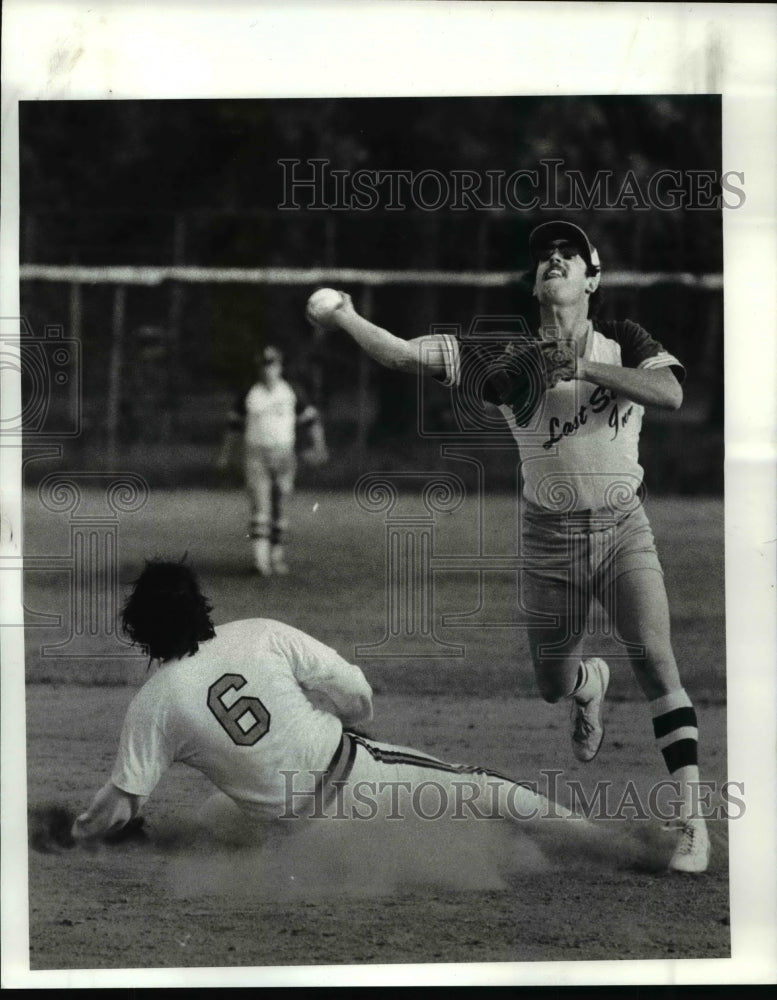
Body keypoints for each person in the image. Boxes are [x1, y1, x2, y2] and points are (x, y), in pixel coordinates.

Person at [309, 220, 710, 874]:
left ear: (592, 276)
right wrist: (348, 316)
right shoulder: (500, 354)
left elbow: (670, 392)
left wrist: (581, 365)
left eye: (568, 254)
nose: (554, 260)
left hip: (620, 528)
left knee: (657, 658)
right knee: (552, 684)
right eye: (544, 257)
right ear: (534, 281)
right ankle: (587, 684)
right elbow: (403, 355)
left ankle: (690, 820)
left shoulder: (624, 340)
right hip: (547, 540)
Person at [69, 558, 620, 857]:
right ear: (200, 606)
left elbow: (120, 803)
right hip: (359, 780)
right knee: (484, 787)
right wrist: (344, 717)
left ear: (143, 633)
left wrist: (84, 831)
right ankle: (605, 842)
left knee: (220, 807)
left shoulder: (153, 704)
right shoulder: (260, 632)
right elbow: (358, 692)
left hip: (294, 837)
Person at [217, 344, 329, 576]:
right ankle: (261, 561)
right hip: (256, 455)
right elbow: (233, 427)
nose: (268, 370)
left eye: (272, 365)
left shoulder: (291, 392)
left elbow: (311, 421)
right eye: (264, 365)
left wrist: (319, 447)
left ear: (280, 366)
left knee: (281, 506)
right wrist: (226, 454)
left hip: (284, 455)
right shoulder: (250, 393)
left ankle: (276, 558)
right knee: (261, 506)